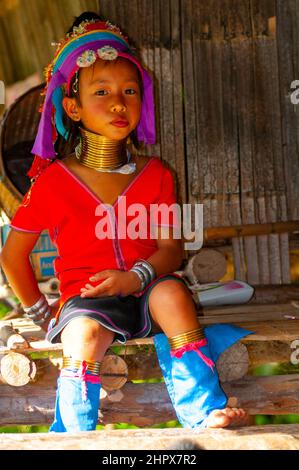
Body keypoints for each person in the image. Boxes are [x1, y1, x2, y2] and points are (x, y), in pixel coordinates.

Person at [0, 12, 251, 433]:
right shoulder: (51, 183)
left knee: (172, 294)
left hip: (148, 289)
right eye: (102, 91)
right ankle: (74, 435)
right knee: (82, 335)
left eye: (130, 90)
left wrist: (134, 278)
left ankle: (204, 413)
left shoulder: (157, 175)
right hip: (87, 300)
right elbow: (12, 256)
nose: (119, 102)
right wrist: (44, 316)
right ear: (72, 107)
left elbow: (171, 249)